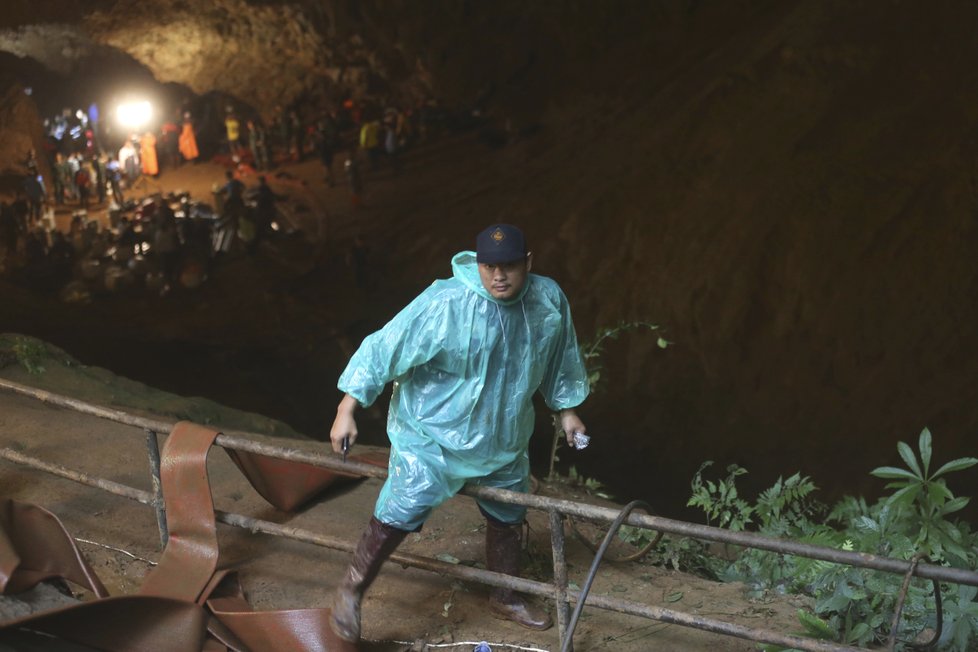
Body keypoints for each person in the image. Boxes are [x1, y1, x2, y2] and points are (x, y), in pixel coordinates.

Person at [327, 224, 590, 642]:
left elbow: (561, 357)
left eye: (508, 266)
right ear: (478, 263)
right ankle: (351, 590)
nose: (498, 276)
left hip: (501, 435)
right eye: (489, 266)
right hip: (431, 434)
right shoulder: (447, 302)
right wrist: (347, 409)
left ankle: (506, 594)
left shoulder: (547, 301)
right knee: (403, 504)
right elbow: (384, 348)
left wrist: (568, 412)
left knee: (508, 513)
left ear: (528, 262)